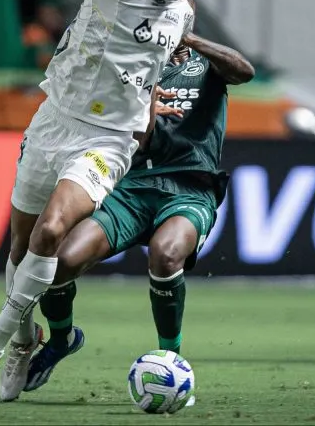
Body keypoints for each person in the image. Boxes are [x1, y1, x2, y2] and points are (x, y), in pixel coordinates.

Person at [0, 0, 206, 400]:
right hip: (54, 120)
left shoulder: (184, 10)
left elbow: (148, 68)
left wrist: (147, 110)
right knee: (20, 251)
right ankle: (25, 339)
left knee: (54, 228)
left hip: (108, 139)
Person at [22, 25, 254, 396]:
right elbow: (136, 141)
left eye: (179, 16)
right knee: (61, 263)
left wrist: (191, 40)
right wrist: (143, 104)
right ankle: (62, 338)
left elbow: (244, 71)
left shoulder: (206, 64)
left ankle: (171, 360)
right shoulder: (133, 68)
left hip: (189, 188)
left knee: (166, 254)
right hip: (130, 188)